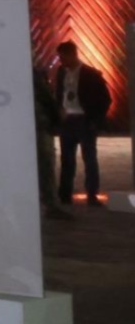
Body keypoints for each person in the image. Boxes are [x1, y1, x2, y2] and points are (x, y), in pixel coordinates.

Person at [53, 41, 111, 206]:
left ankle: (92, 195)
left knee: (89, 159)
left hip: (84, 120)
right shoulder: (61, 72)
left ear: (72, 55)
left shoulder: (90, 74)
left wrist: (94, 120)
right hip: (67, 120)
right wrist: (59, 110)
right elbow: (60, 93)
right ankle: (65, 195)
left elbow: (105, 99)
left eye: (63, 57)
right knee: (67, 160)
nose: (61, 61)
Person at [32, 60, 73, 220]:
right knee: (46, 164)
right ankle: (50, 204)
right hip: (40, 125)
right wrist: (56, 118)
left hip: (33, 124)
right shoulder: (32, 72)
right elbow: (46, 97)